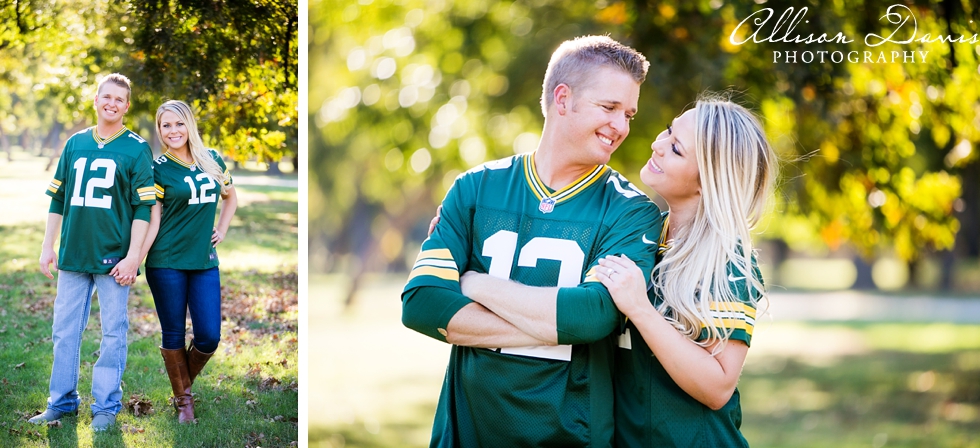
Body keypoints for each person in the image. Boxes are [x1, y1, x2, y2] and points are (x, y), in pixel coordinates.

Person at [401, 35, 663, 447]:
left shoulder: (631, 211)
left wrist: (473, 284)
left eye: (628, 113)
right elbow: (421, 304)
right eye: (609, 108)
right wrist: (555, 323)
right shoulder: (476, 188)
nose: (622, 126)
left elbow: (592, 316)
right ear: (563, 100)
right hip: (467, 434)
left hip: (571, 437)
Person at [597, 94, 776, 447]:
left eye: (676, 149)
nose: (657, 145)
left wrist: (640, 310)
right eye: (668, 132)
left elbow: (717, 387)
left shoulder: (727, 260)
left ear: (706, 181)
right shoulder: (642, 237)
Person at [32, 73, 156, 431]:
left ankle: (105, 406)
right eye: (107, 97)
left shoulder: (137, 148)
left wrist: (134, 256)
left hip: (114, 258)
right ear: (96, 100)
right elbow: (57, 197)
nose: (112, 103)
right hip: (73, 253)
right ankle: (62, 402)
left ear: (127, 106)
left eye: (120, 99)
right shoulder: (75, 143)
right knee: (64, 331)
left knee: (113, 332)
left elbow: (143, 209)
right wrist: (47, 246)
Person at [138, 100, 238, 423]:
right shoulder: (157, 168)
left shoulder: (212, 159)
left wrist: (221, 229)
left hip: (204, 260)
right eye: (166, 125)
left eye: (178, 123)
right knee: (173, 335)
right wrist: (135, 260)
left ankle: (182, 385)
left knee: (209, 335)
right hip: (166, 260)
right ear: (160, 130)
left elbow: (231, 197)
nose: (173, 131)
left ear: (189, 125)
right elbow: (152, 221)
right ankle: (184, 404)